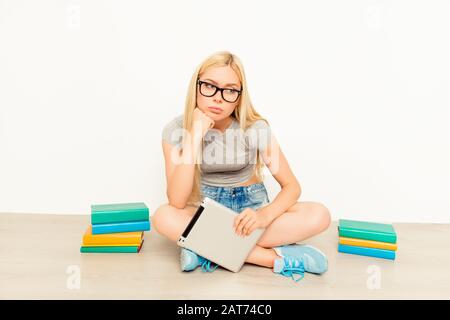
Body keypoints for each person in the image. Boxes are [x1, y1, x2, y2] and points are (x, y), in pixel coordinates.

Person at [152, 51, 331, 282]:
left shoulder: (254, 128)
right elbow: (177, 201)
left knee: (319, 215)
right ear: (196, 86)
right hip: (207, 213)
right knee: (163, 217)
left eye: (230, 91)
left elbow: (292, 187)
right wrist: (194, 134)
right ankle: (273, 259)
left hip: (250, 211)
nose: (218, 97)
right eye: (209, 86)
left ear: (239, 97)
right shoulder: (175, 131)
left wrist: (264, 216)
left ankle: (205, 249)